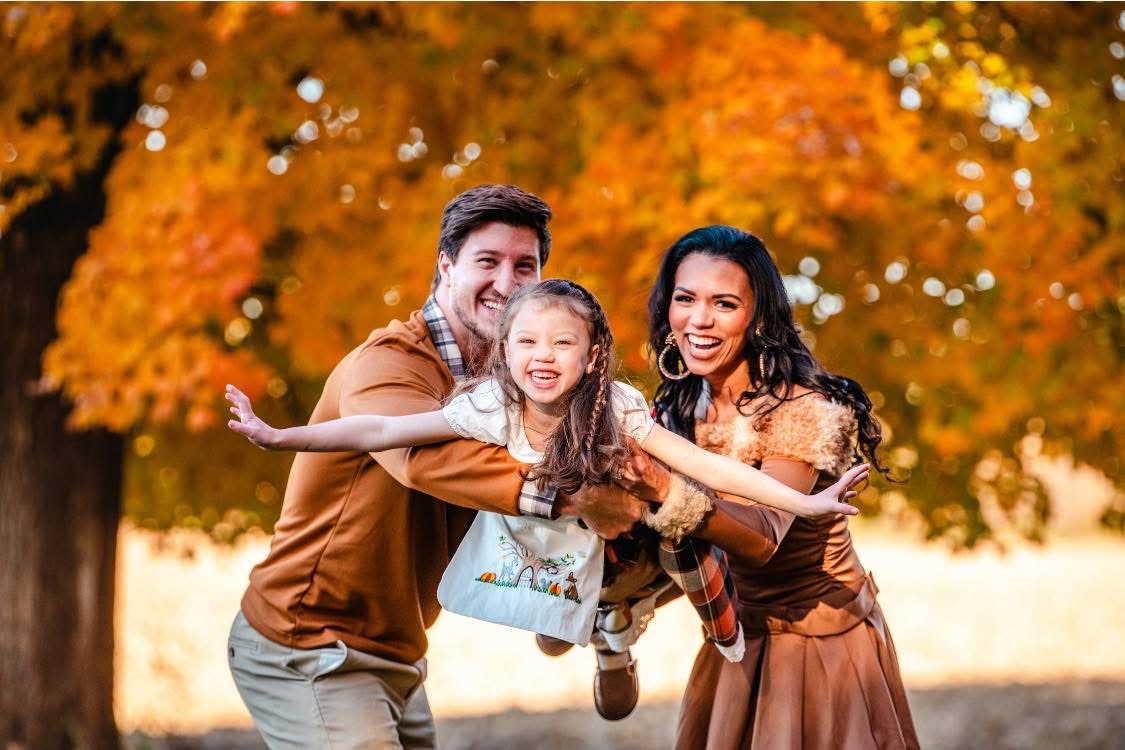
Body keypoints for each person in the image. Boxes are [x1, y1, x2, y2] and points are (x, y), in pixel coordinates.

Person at [225, 185, 657, 749]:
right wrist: (575, 499)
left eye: (524, 266)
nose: (506, 283)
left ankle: (613, 623)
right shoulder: (387, 363)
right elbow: (427, 459)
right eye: (487, 262)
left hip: (397, 652)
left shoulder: (519, 380)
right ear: (445, 267)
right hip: (310, 645)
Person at [226, 280, 868, 653]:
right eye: (527, 342)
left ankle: (699, 616)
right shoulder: (490, 406)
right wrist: (281, 436)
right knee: (556, 637)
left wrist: (806, 502)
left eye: (563, 343)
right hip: (541, 538)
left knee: (684, 535)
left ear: (592, 358)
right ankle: (605, 636)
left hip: (620, 533)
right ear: (502, 352)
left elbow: (707, 466)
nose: (543, 356)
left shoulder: (615, 406)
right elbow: (383, 427)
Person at [645, 226, 920, 749]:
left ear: (759, 317)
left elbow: (762, 539)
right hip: (734, 639)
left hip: (820, 647)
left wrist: (661, 488)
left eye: (724, 303)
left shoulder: (803, 409)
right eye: (686, 299)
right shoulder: (680, 406)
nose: (699, 319)